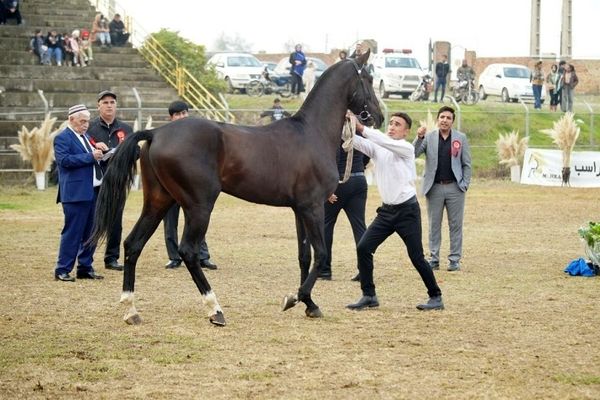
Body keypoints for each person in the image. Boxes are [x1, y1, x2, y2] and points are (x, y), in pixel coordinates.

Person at [346, 111, 444, 311]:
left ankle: (436, 297)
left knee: (416, 256)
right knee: (363, 248)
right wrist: (343, 120)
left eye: (397, 124)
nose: (391, 126)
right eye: (390, 123)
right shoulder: (378, 147)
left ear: (406, 132)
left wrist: (362, 127)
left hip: (407, 211)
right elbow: (353, 140)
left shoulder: (406, 148)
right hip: (386, 213)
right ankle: (369, 295)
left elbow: (376, 138)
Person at [414, 106, 471, 272]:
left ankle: (454, 260)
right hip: (434, 188)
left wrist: (464, 184)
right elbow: (414, 153)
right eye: (442, 117)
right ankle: (434, 258)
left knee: (455, 225)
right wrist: (418, 137)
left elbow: (467, 164)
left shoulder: (460, 138)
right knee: (434, 225)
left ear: (452, 121)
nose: (445, 120)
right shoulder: (429, 137)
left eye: (448, 118)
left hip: (455, 188)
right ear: (438, 119)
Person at [162, 101, 218, 270]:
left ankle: (202, 256)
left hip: (190, 187)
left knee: (196, 220)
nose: (182, 117)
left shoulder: (196, 136)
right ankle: (174, 257)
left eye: (184, 113)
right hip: (170, 186)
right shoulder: (165, 136)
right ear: (171, 118)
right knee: (170, 223)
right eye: (177, 114)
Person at [53, 104, 105, 282]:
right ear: (71, 119)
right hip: (75, 193)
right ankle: (62, 269)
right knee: (73, 232)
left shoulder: (86, 137)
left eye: (87, 121)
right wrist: (91, 156)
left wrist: (102, 152)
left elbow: (92, 157)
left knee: (91, 232)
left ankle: (85, 267)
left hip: (93, 191)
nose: (86, 125)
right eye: (82, 121)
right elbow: (64, 160)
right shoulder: (63, 138)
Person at [88, 90, 133, 271]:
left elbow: (135, 153)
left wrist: (119, 155)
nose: (109, 105)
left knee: (115, 222)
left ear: (116, 105)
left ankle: (112, 258)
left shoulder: (126, 129)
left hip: (117, 182)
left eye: (112, 102)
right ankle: (86, 258)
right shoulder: (89, 128)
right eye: (105, 102)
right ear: (98, 105)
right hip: (94, 180)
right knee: (91, 220)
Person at [320, 142, 369, 281]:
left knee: (326, 225)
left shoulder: (333, 131)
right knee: (359, 226)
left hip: (338, 182)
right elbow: (367, 155)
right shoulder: (358, 132)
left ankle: (324, 270)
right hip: (359, 179)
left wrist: (327, 188)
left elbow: (327, 161)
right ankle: (365, 269)